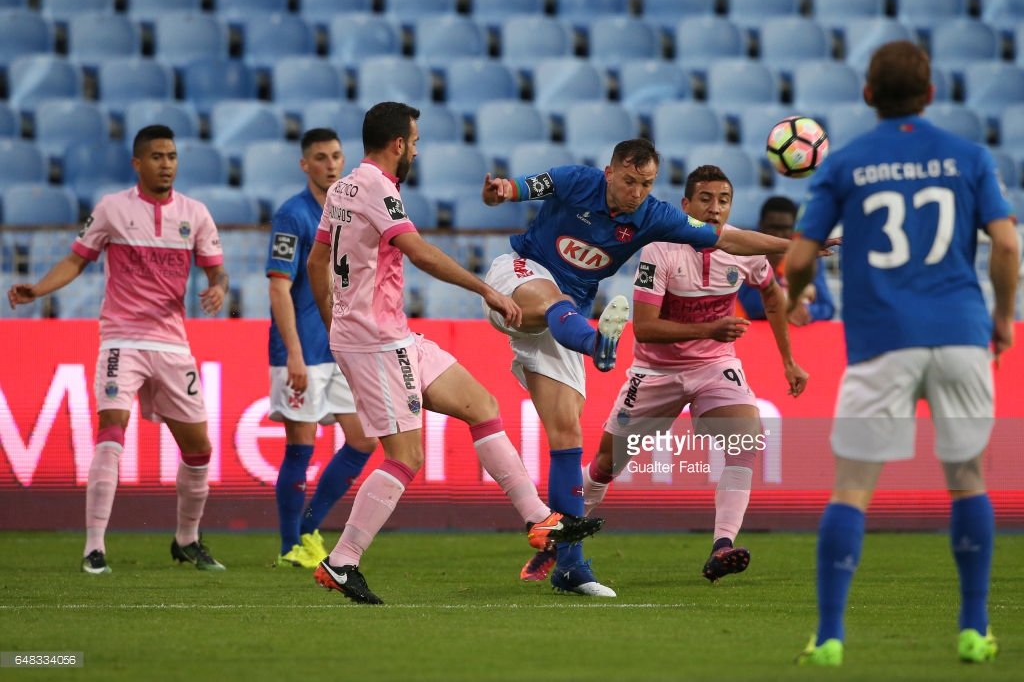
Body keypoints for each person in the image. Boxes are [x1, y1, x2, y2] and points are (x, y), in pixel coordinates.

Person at [482, 139, 835, 595]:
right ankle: (598, 344)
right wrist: (499, 191)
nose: (635, 192)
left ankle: (569, 564)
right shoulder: (577, 181)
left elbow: (730, 239)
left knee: (568, 435)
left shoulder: (653, 217)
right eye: (629, 181)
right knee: (553, 299)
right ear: (609, 173)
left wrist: (794, 246)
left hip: (576, 320)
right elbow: (519, 187)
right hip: (522, 276)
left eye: (645, 184)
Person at [306, 102, 605, 604]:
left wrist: (334, 322)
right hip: (377, 341)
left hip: (388, 334)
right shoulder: (377, 187)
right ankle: (341, 562)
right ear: (398, 143)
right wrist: (484, 290)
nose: (417, 150)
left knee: (482, 406)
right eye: (416, 141)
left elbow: (318, 259)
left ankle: (539, 522)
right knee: (405, 457)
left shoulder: (343, 186)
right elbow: (418, 251)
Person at [785, 41, 1019, 666]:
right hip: (962, 335)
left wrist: (792, 300)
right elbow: (1006, 246)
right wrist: (1000, 318)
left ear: (867, 94)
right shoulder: (969, 156)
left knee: (852, 489)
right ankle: (973, 628)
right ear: (932, 94)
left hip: (882, 340)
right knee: (967, 479)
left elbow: (802, 258)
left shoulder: (848, 163)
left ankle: (830, 636)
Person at [8, 125, 229, 573]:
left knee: (200, 449)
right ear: (138, 163)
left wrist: (218, 289)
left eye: (171, 156)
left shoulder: (195, 214)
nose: (166, 163)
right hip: (121, 340)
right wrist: (39, 289)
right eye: (157, 156)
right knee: (112, 429)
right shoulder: (112, 209)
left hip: (172, 345)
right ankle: (94, 547)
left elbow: (217, 272)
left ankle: (187, 539)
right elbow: (76, 259)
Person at [581, 165, 808, 586]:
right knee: (607, 464)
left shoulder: (744, 249)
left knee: (745, 440)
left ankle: (722, 545)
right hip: (655, 371)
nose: (715, 208)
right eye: (705, 199)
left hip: (714, 365)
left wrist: (788, 361)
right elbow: (645, 328)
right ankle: (561, 533)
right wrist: (710, 328)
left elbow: (773, 296)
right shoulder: (660, 249)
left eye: (723, 200)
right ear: (685, 205)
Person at [267, 128, 379, 569]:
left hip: (342, 348)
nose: (330, 164)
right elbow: (278, 288)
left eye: (336, 155)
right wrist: (293, 352)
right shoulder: (293, 215)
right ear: (305, 165)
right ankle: (290, 545)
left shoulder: (347, 209)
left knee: (364, 440)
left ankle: (310, 529)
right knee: (302, 443)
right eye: (320, 157)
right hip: (303, 350)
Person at [737, 196, 835, 325]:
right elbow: (745, 305)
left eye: (785, 228)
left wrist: (808, 311)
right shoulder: (744, 251)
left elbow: (827, 308)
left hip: (798, 332)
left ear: (795, 229)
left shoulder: (807, 253)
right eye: (772, 227)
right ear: (760, 225)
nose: (778, 234)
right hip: (755, 332)